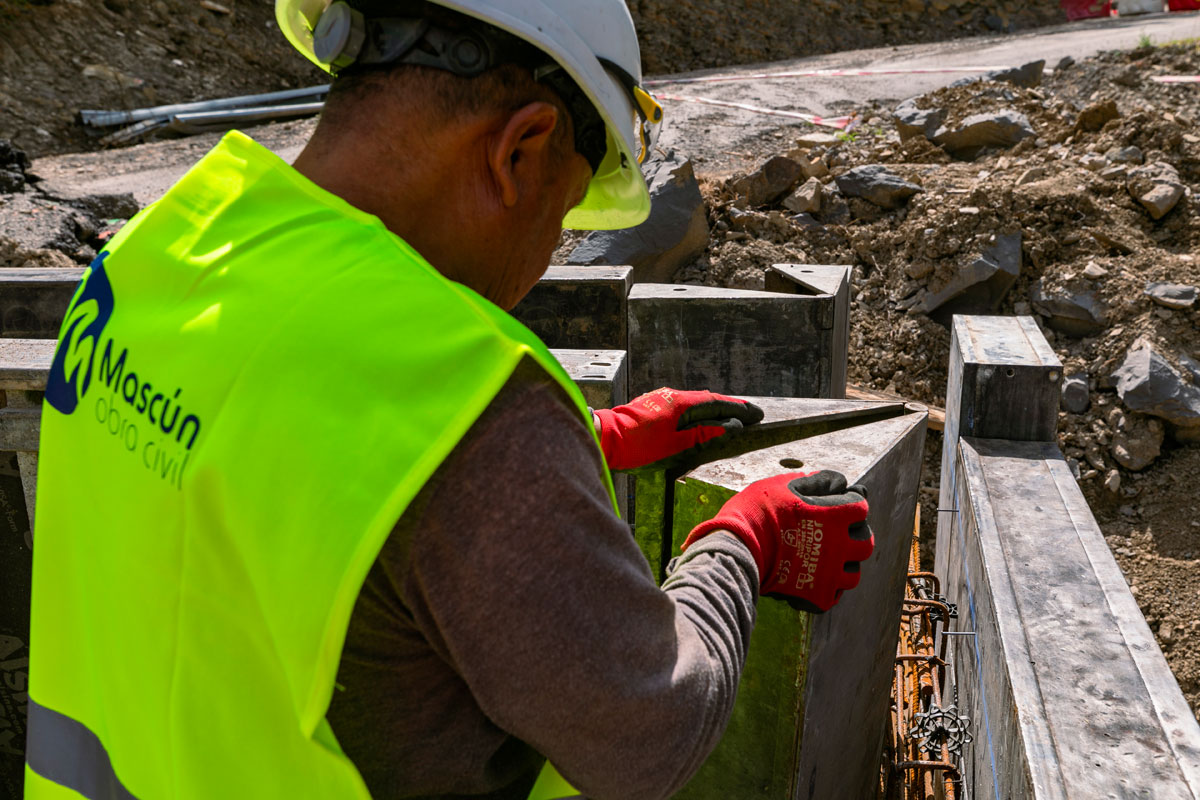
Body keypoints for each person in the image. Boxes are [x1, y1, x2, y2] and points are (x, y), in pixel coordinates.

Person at [23, 2, 873, 799]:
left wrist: (587, 437)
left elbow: (266, 448)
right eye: (567, 210)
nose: (547, 257)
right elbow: (651, 731)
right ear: (520, 149)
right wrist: (742, 541)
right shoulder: (475, 408)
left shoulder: (161, 253)